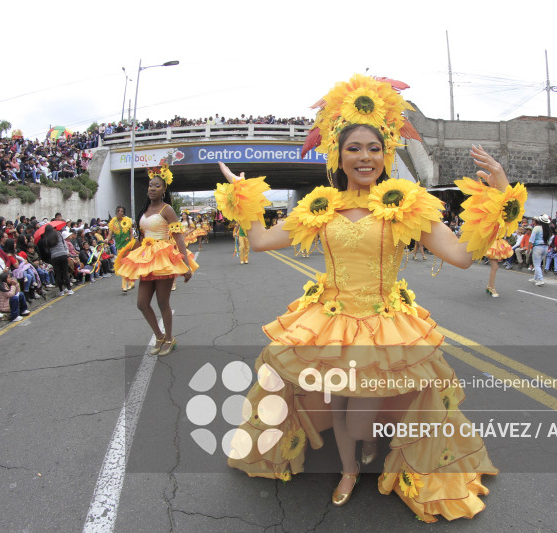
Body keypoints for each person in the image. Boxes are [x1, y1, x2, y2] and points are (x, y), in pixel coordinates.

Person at [214, 74, 525, 521]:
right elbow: (261, 240)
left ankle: (368, 447)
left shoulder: (408, 202)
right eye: (354, 148)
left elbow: (459, 255)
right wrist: (239, 194)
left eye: (374, 148)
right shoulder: (320, 206)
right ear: (338, 155)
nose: (365, 157)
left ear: (387, 153)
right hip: (330, 322)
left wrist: (498, 193)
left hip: (383, 329)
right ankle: (346, 470)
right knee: (339, 405)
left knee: (358, 420)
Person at [114, 165, 197, 356]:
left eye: (157, 186)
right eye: (150, 185)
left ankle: (169, 338)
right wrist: (128, 255)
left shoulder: (167, 210)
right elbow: (142, 238)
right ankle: (159, 336)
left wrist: (185, 265)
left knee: (162, 302)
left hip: (163, 258)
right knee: (142, 303)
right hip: (146, 257)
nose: (152, 188)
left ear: (164, 189)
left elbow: (179, 238)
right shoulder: (145, 209)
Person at [37, 224, 72, 296]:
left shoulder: (46, 239)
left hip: (54, 257)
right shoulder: (58, 234)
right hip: (63, 254)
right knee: (65, 272)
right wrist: (65, 251)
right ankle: (69, 289)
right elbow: (63, 243)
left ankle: (61, 291)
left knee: (58, 273)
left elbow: (47, 250)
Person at [109, 206, 135, 292]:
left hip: (127, 246)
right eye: (118, 210)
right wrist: (105, 240)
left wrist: (132, 244)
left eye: (121, 211)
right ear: (116, 212)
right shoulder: (113, 222)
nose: (120, 212)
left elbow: (131, 233)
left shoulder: (127, 220)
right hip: (119, 247)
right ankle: (129, 283)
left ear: (123, 212)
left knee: (127, 265)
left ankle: (126, 285)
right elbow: (109, 235)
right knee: (124, 266)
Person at [530, 214, 550, 287]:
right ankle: (535, 277)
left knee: (537, 264)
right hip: (545, 247)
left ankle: (540, 279)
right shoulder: (548, 229)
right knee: (538, 263)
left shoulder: (537, 228)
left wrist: (529, 247)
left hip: (537, 247)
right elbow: (549, 241)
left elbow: (532, 239)